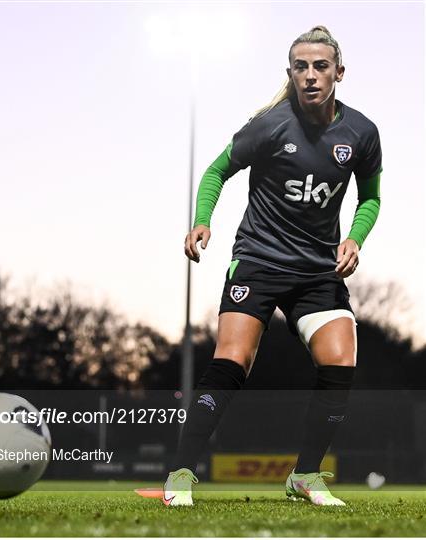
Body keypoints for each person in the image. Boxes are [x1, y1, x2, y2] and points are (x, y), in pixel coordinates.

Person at [149, 25, 381, 507]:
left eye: (320, 66)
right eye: (301, 66)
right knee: (232, 361)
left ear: (339, 72)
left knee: (341, 359)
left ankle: (305, 476)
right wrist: (201, 221)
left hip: (318, 271)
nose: (310, 75)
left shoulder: (361, 132)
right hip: (258, 260)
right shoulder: (269, 125)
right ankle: (180, 475)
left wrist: (355, 238)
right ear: (291, 73)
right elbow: (217, 170)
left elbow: (370, 198)